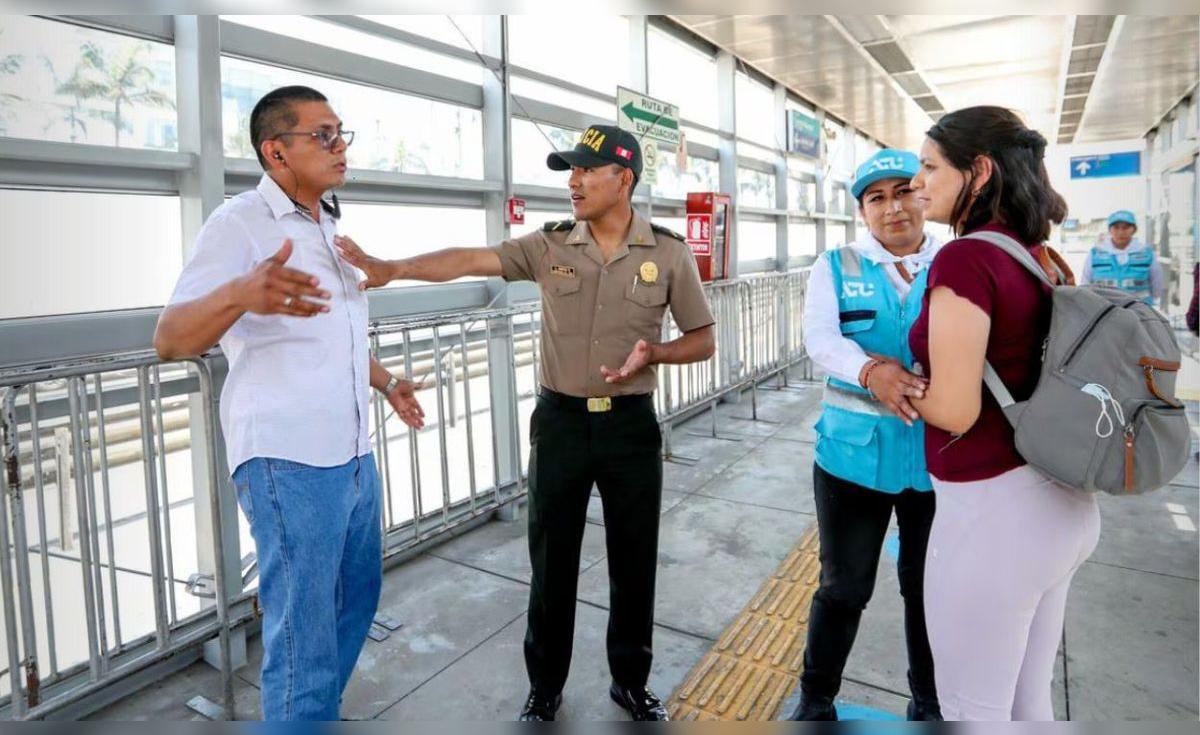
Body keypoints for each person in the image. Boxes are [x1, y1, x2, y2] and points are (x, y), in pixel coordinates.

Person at [332, 124, 716, 721]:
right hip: (560, 423)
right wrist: (393, 267)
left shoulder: (667, 253)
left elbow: (702, 339)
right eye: (571, 170)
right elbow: (470, 258)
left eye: (588, 170)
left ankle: (630, 681)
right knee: (551, 561)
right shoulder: (551, 244)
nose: (574, 181)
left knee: (634, 560)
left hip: (630, 428)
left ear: (625, 180)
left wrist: (656, 353)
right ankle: (545, 686)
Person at [153, 86, 425, 721]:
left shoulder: (326, 226)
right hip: (289, 459)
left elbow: (334, 334)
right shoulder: (240, 224)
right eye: (322, 135)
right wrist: (241, 294)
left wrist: (385, 383)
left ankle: (310, 720)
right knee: (304, 634)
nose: (340, 147)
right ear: (276, 151)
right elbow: (170, 339)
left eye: (341, 133)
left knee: (355, 600)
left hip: (352, 451)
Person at [907, 106, 1101, 721]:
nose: (918, 182)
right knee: (1025, 705)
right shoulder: (1035, 256)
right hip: (1059, 503)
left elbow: (957, 411)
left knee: (973, 712)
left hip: (992, 516)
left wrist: (886, 381)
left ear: (979, 171)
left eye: (930, 166)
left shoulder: (965, 260)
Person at [790, 149, 943, 721]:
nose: (893, 207)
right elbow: (820, 339)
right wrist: (871, 371)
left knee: (928, 591)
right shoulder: (835, 266)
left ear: (924, 196)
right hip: (851, 461)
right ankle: (816, 697)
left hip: (936, 461)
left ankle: (928, 702)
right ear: (862, 211)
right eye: (876, 198)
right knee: (844, 586)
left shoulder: (954, 261)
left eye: (903, 191)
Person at [1079, 210, 1164, 305]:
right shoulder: (1096, 253)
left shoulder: (1146, 253)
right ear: (1110, 229)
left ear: (1134, 229)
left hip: (1140, 309)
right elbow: (1085, 283)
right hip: (1104, 310)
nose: (1121, 232)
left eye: (1126, 227)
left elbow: (1157, 283)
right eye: (1116, 227)